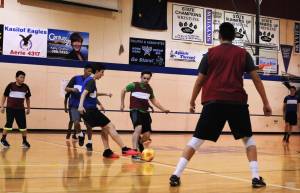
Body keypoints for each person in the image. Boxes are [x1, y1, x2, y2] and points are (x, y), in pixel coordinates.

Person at [169, 22, 272, 188]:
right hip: (236, 102)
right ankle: (255, 177)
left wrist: (192, 100)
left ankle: (175, 175)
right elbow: (256, 79)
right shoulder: (243, 54)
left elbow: (199, 80)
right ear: (234, 36)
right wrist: (266, 102)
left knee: (196, 140)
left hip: (213, 102)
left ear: (219, 36)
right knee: (248, 140)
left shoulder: (210, 54)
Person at [78, 64, 139, 158]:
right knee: (110, 126)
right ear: (97, 71)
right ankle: (124, 149)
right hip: (90, 111)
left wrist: (106, 94)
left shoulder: (89, 80)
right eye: (102, 72)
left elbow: (92, 93)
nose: (102, 75)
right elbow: (84, 94)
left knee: (105, 128)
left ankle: (107, 151)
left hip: (90, 111)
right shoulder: (91, 81)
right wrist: (80, 106)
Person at [120, 71, 169, 160]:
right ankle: (134, 151)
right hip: (135, 110)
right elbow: (123, 90)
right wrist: (122, 104)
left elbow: (154, 101)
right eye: (144, 78)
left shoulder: (149, 88)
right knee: (138, 128)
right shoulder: (134, 85)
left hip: (145, 112)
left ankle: (139, 142)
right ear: (141, 77)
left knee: (147, 135)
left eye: (148, 78)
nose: (146, 80)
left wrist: (163, 109)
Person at [0, 71, 31, 148]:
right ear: (16, 78)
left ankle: (24, 141)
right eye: (21, 77)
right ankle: (3, 140)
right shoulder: (10, 86)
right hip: (10, 109)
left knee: (23, 126)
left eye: (24, 77)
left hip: (20, 110)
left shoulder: (26, 87)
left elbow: (27, 98)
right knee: (9, 124)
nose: (23, 79)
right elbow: (4, 96)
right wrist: (2, 106)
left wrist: (28, 108)